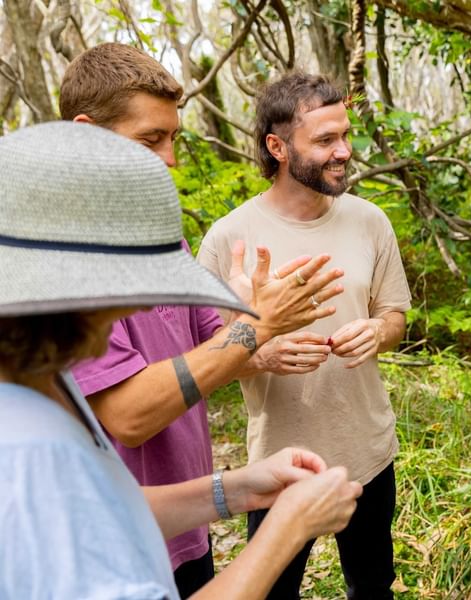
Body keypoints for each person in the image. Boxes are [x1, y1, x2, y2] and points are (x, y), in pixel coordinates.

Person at [0, 121, 362, 598]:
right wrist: (288, 528)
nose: (133, 317)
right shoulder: (29, 451)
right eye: (117, 307)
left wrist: (238, 489)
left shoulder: (40, 386)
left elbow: (98, 507)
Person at [59, 44, 345, 596]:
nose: (169, 159)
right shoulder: (62, 255)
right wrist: (258, 327)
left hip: (182, 517)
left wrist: (244, 320)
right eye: (150, 140)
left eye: (173, 139)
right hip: (109, 539)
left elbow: (208, 346)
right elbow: (129, 414)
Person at [198, 72, 411, 599]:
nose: (343, 151)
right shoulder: (229, 238)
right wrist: (261, 353)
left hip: (368, 452)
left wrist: (377, 332)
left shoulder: (370, 221)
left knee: (373, 588)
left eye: (345, 136)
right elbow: (198, 362)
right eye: (324, 141)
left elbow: (395, 315)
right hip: (275, 464)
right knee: (272, 591)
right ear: (277, 146)